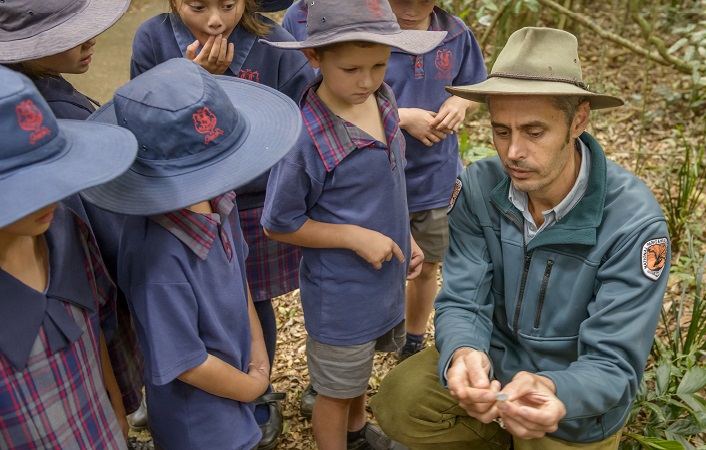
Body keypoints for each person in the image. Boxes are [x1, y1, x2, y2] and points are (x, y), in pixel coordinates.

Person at [370, 27, 671, 450]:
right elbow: (462, 298)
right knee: (401, 401)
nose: (512, 152)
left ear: (578, 120)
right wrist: (463, 353)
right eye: (502, 131)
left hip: (571, 400)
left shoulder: (632, 223)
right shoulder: (477, 186)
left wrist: (556, 392)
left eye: (534, 132)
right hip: (495, 361)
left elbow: (613, 364)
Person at [80, 58, 302, 450]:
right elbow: (186, 361)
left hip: (237, 383)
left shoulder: (220, 201)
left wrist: (258, 357)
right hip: (199, 423)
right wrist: (250, 386)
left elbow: (238, 279)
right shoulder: (158, 259)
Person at [258, 0, 445, 448]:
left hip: (384, 280)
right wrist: (352, 237)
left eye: (379, 65)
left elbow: (390, 183)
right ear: (314, 57)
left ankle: (358, 433)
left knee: (358, 373)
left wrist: (408, 237)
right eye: (351, 69)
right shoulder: (304, 139)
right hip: (341, 295)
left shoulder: (384, 101)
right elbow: (277, 223)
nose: (366, 80)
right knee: (334, 393)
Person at [128, 0, 316, 444]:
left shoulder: (277, 45)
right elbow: (140, 109)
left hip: (249, 200)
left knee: (252, 293)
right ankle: (183, 391)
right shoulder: (152, 39)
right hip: (184, 198)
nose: (214, 19)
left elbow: (302, 117)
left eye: (228, 5)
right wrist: (194, 81)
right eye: (197, 6)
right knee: (189, 305)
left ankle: (258, 391)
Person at [0, 0, 145, 431]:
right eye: (68, 34)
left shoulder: (39, 97)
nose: (90, 39)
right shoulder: (54, 114)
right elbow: (113, 241)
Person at [385, 0, 487, 361]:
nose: (412, 8)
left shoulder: (455, 33)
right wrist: (399, 116)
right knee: (381, 264)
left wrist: (461, 102)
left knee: (426, 264)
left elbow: (476, 85)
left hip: (436, 178)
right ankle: (366, 340)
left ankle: (412, 338)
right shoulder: (367, 32)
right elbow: (343, 99)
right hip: (379, 179)